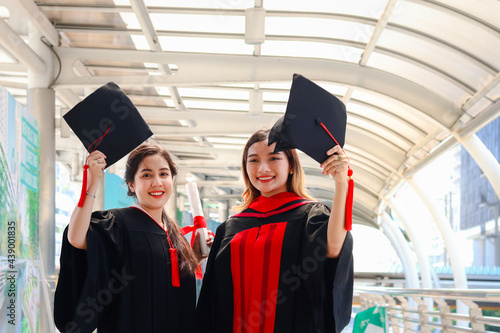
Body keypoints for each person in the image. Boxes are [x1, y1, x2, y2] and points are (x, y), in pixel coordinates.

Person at [196, 129, 354, 333]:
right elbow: (213, 298)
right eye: (253, 160)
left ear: (291, 166)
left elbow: (332, 250)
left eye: (273, 158)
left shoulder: (309, 216)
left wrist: (342, 182)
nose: (263, 168)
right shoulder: (230, 227)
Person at [54, 143, 211, 333]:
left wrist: (193, 257)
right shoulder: (117, 224)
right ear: (131, 184)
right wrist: (92, 182)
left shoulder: (174, 233)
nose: (157, 182)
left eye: (164, 174)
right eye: (147, 175)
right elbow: (76, 238)